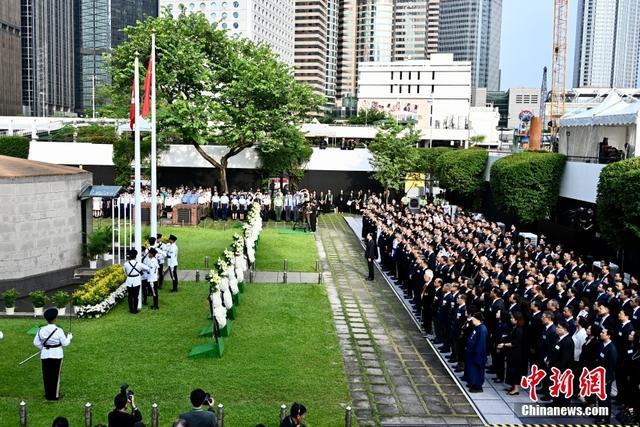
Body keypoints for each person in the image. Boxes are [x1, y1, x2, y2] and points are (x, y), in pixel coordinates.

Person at [33, 308, 72, 400]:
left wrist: (43, 348)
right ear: (55, 318)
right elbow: (65, 343)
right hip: (57, 354)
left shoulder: (41, 330)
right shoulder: (59, 330)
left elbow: (36, 342)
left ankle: (48, 394)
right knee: (56, 375)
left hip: (45, 355)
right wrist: (69, 337)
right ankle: (55, 395)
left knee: (46, 375)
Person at [464, 312, 488, 393]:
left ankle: (477, 386)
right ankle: (472, 383)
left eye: (473, 319)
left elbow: (481, 345)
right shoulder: (476, 327)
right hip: (471, 353)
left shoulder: (482, 330)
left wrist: (478, 356)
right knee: (472, 370)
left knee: (477, 371)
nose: (472, 321)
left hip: (477, 355)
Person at [123, 249, 150, 314]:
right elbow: (148, 268)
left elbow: (125, 272)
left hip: (129, 280)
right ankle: (135, 310)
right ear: (135, 256)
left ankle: (131, 309)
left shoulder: (126, 264)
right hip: (136, 281)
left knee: (130, 296)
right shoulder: (139, 264)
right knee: (135, 296)